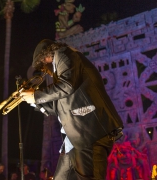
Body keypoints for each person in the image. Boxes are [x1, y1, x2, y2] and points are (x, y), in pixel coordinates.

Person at [20, 39, 124, 179]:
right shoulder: (63, 75)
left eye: (42, 65)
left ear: (46, 57)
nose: (44, 70)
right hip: (74, 139)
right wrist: (33, 101)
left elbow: (67, 86)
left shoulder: (64, 53)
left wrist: (36, 95)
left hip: (90, 133)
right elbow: (57, 108)